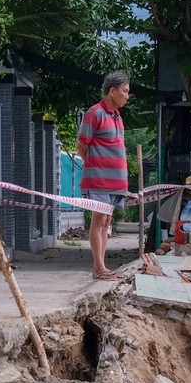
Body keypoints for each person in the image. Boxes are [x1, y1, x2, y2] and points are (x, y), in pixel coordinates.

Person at [78, 71, 131, 280]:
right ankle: (98, 267)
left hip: (116, 183)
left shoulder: (117, 116)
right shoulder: (95, 113)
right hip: (98, 180)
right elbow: (82, 145)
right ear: (112, 91)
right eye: (125, 91)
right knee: (98, 220)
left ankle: (101, 266)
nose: (127, 96)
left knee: (106, 222)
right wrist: (95, 166)